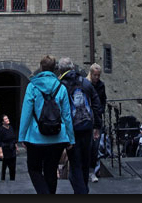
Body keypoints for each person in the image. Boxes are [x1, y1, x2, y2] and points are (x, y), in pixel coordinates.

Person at [18, 54, 75, 195]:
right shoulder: (61, 87)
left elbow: (26, 113)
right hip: (57, 137)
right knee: (51, 170)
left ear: (41, 68)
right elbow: (67, 116)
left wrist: (22, 136)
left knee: (34, 169)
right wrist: (70, 138)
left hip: (35, 137)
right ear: (54, 69)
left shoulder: (32, 86)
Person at [58, 57, 102, 195]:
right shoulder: (85, 82)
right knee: (85, 161)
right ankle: (83, 190)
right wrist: (97, 126)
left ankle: (82, 192)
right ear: (72, 68)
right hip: (87, 127)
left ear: (60, 70)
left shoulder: (61, 85)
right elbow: (96, 103)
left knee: (75, 164)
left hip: (72, 130)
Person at [86, 64, 106, 182]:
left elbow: (103, 100)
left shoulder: (101, 85)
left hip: (97, 120)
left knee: (95, 148)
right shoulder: (86, 84)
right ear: (91, 74)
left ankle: (92, 171)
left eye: (99, 75)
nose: (97, 77)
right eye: (95, 75)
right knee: (87, 147)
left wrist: (100, 111)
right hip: (87, 120)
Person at [0, 114, 19, 181]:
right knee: (5, 166)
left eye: (7, 118)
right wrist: (1, 152)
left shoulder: (11, 127)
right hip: (5, 149)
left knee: (13, 166)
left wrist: (16, 146)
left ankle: (12, 179)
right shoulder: (1, 130)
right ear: (3, 122)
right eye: (6, 119)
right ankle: (3, 179)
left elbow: (13, 138)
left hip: (12, 149)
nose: (7, 120)